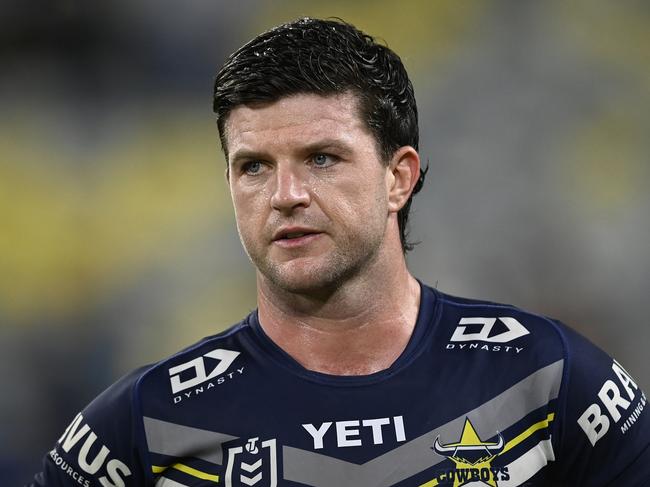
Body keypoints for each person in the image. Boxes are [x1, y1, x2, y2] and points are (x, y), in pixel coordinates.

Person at [30, 17, 649, 487]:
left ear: (397, 177)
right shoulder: (150, 420)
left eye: (321, 159)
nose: (285, 195)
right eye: (253, 167)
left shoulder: (545, 379)